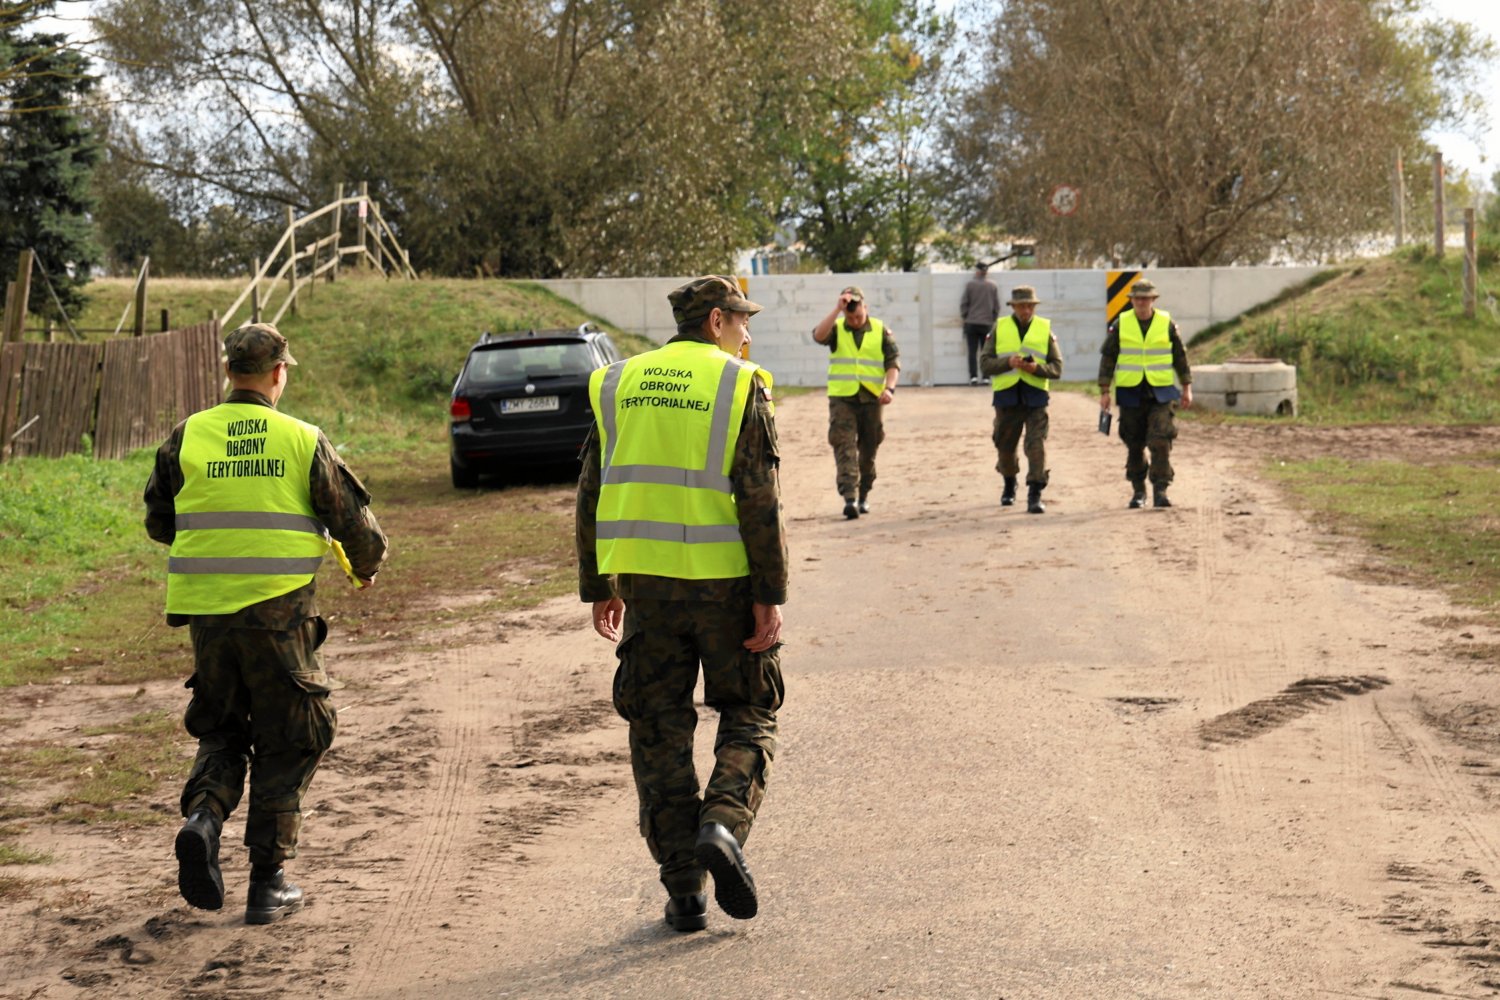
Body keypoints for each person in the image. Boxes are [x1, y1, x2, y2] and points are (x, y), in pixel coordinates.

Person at [143, 322, 388, 925]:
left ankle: (203, 820)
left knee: (223, 731)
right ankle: (268, 881)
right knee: (294, 734)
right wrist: (366, 566)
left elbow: (159, 522)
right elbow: (359, 528)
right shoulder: (302, 439)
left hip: (207, 618)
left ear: (230, 373)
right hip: (280, 619)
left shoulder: (186, 435)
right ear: (279, 373)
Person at [576, 275, 787, 933]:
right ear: (717, 320)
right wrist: (769, 596)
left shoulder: (616, 383)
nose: (748, 335)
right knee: (750, 709)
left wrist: (597, 584)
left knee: (658, 732)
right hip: (723, 587)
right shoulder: (736, 384)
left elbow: (591, 487)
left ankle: (684, 893)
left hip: (645, 590)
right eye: (742, 323)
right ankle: (722, 827)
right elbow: (759, 499)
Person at [1097, 279, 1194, 508]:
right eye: (1137, 298)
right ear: (1131, 300)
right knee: (1134, 443)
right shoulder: (1121, 324)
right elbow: (1108, 358)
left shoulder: (1166, 323)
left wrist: (1187, 386)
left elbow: (1180, 357)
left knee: (1161, 439)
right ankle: (1138, 491)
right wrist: (1104, 390)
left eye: (1146, 298)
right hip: (1131, 391)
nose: (1141, 302)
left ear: (1153, 300)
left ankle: (1160, 489)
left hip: (1160, 392)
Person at [812, 285, 900, 518]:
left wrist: (889, 389)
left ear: (865, 307)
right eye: (850, 316)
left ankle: (864, 495)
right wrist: (836, 309)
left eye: (858, 315)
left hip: (872, 399)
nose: (855, 320)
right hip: (843, 399)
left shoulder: (880, 330)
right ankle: (849, 497)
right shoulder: (837, 328)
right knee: (844, 445)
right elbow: (818, 336)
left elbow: (893, 363)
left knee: (868, 449)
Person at [979, 285, 1063, 513]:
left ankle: (1035, 493)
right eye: (1021, 306)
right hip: (1007, 398)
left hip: (1035, 398)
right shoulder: (1000, 328)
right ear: (1013, 307)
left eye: (1030, 306)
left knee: (1035, 445)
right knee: (1005, 446)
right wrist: (1008, 363)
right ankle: (1009, 484)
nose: (1026, 310)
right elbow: (984, 364)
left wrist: (1036, 368)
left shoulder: (1044, 329)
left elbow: (1057, 368)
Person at [960, 262, 1001, 385]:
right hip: (987, 324)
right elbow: (997, 306)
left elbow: (963, 304)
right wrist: (993, 318)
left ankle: (973, 377)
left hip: (971, 323)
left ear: (977, 271)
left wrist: (966, 316)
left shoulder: (970, 285)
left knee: (972, 352)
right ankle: (986, 377)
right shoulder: (993, 286)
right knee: (986, 352)